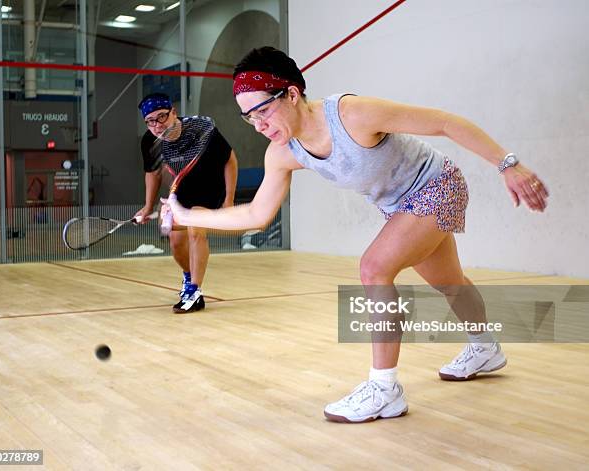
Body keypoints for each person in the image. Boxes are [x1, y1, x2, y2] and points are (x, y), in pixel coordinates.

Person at [161, 47, 549, 422]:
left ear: (292, 94)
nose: (258, 125)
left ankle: (385, 390)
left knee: (373, 269)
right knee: (450, 284)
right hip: (400, 206)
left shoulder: (352, 114)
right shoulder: (283, 152)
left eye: (262, 111)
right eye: (248, 117)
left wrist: (507, 164)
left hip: (437, 184)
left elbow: (444, 122)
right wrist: (187, 215)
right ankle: (485, 347)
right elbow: (257, 214)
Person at [136, 93, 238, 313]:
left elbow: (230, 160)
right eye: (150, 121)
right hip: (183, 190)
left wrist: (229, 200)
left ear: (173, 112)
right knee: (175, 241)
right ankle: (189, 276)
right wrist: (147, 206)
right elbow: (153, 174)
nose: (156, 125)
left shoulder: (202, 130)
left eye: (161, 117)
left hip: (212, 188)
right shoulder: (149, 141)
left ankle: (194, 292)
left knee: (195, 232)